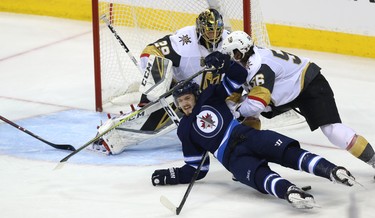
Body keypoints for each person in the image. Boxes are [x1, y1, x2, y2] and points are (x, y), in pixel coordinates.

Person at [151, 51, 356, 209]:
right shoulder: (184, 129)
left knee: (287, 152)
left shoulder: (210, 95)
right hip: (231, 158)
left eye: (187, 98)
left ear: (195, 95)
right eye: (180, 101)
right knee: (259, 175)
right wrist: (171, 175)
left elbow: (239, 76)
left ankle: (332, 171)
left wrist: (225, 63)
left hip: (246, 135)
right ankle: (290, 192)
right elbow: (197, 169)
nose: (185, 104)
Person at [219, 31, 375, 169]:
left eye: (235, 54)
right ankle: (249, 157)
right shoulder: (248, 59)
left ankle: (374, 160)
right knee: (250, 114)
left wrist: (236, 113)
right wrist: (229, 106)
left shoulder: (259, 66)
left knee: (332, 131)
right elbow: (238, 91)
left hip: (309, 84)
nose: (233, 59)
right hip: (287, 89)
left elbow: (258, 102)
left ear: (243, 51)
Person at [90, 8, 231, 155]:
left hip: (211, 95)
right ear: (200, 29)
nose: (214, 36)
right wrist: (160, 83)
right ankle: (109, 135)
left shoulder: (229, 40)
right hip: (181, 93)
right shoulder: (184, 40)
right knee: (149, 118)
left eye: (217, 31)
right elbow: (150, 51)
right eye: (209, 31)